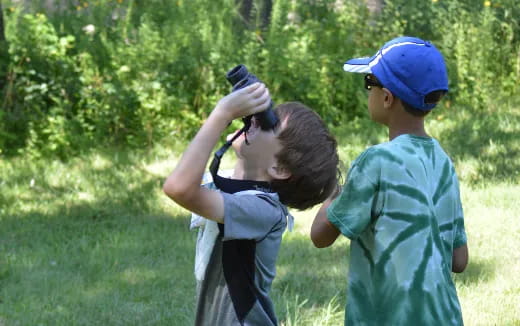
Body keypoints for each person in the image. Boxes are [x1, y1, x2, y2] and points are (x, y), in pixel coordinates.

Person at [310, 36, 469, 325]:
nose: (367, 91)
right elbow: (459, 261)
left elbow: (320, 236)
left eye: (369, 82)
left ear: (386, 97)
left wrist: (335, 192)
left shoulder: (376, 162)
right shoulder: (444, 163)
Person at [163, 82, 340, 326]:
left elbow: (179, 188)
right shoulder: (230, 185)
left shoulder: (263, 210)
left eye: (270, 124)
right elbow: (184, 179)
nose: (256, 120)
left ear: (279, 168)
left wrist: (222, 114)